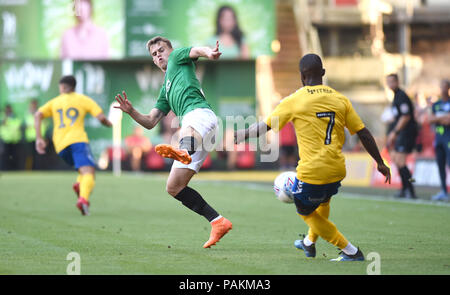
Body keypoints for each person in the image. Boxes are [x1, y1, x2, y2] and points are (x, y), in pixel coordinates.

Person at [234, 54, 391, 261]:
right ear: (323, 73)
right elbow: (363, 133)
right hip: (337, 170)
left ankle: (351, 251)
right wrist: (380, 162)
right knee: (323, 202)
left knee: (305, 211)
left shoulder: (294, 100)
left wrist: (241, 134)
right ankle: (309, 243)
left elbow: (264, 127)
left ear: (301, 75)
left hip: (313, 171)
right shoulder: (341, 100)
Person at [114, 36, 232, 248]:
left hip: (200, 115)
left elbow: (197, 50)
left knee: (185, 128)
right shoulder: (165, 90)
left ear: (170, 50)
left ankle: (183, 150)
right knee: (174, 187)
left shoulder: (178, 57)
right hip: (199, 129)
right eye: (154, 54)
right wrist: (131, 112)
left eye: (161, 50)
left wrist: (209, 53)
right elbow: (150, 121)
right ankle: (218, 221)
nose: (158, 55)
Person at [34, 75, 112, 215]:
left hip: (60, 146)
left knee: (83, 171)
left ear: (62, 87)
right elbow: (101, 118)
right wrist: (109, 123)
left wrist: (39, 138)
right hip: (78, 141)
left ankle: (79, 184)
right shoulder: (83, 100)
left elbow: (37, 115)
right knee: (89, 173)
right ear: (74, 87)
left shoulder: (54, 102)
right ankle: (83, 199)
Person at [385, 73, 419, 199]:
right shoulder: (395, 98)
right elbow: (397, 117)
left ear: (397, 82)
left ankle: (411, 189)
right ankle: (404, 188)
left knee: (401, 161)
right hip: (401, 133)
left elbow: (406, 117)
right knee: (397, 160)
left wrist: (395, 132)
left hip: (407, 132)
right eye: (388, 82)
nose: (390, 84)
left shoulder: (402, 96)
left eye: (392, 82)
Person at [429, 79, 450, 201]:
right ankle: (443, 191)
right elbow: (430, 119)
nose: (443, 89)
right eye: (441, 86)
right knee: (440, 164)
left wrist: (439, 117)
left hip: (448, 137)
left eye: (445, 87)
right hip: (439, 138)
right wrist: (444, 117)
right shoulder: (436, 104)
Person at [0, 104, 21, 170]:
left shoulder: (15, 117)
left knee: (14, 156)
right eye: (7, 109)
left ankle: (13, 169)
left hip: (14, 140)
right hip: (5, 140)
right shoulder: (2, 117)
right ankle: (4, 169)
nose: (8, 110)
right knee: (4, 156)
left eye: (9, 109)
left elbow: (18, 126)